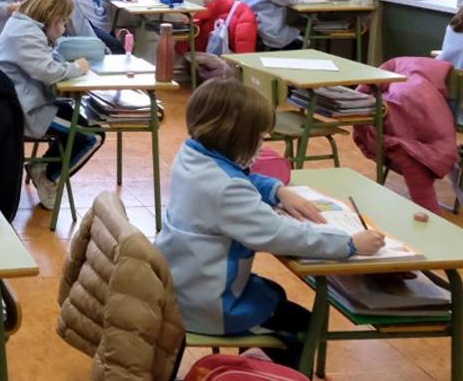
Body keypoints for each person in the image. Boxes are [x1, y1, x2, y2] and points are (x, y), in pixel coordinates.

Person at [155, 79, 385, 369]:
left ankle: (250, 367)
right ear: (236, 137)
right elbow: (279, 234)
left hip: (182, 286)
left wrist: (277, 190)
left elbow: (237, 177)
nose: (263, 144)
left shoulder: (191, 156)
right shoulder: (227, 190)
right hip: (211, 304)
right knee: (302, 325)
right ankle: (272, 373)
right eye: (261, 138)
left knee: (275, 297)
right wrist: (350, 244)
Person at [0, 0, 103, 209]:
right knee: (92, 135)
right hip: (25, 111)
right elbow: (49, 71)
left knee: (80, 119)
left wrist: (66, 63)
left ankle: (43, 168)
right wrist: (77, 68)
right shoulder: (25, 33)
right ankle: (47, 175)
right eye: (63, 21)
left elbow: (48, 59)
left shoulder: (26, 26)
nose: (63, 28)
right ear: (52, 17)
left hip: (29, 101)